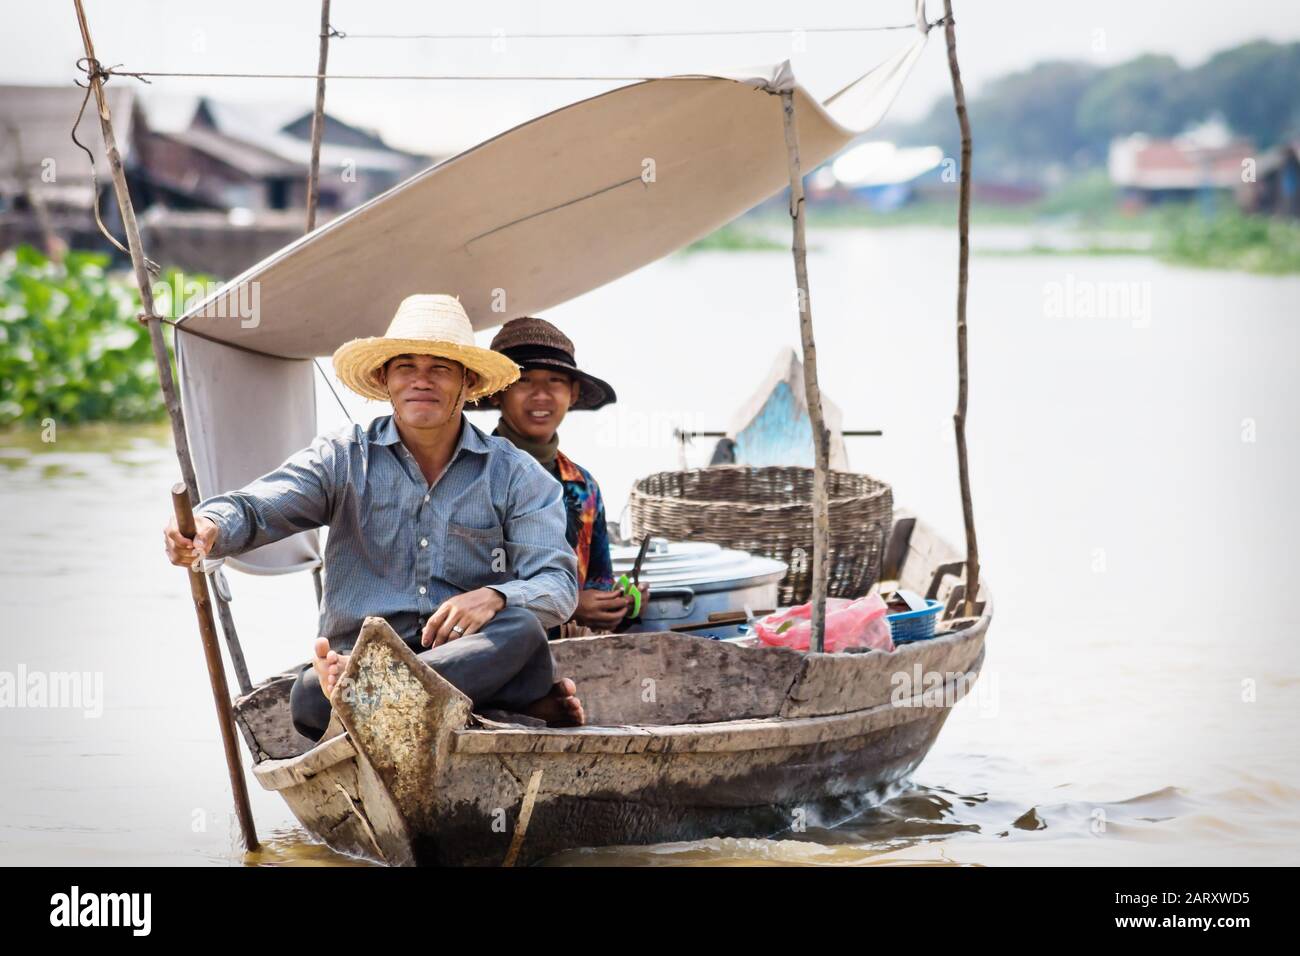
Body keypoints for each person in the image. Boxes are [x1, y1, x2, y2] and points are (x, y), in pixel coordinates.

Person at [162, 294, 585, 739]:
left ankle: (389, 698)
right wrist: (208, 525)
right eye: (406, 367)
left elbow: (557, 587)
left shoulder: (515, 473)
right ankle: (495, 707)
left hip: (467, 661)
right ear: (385, 379)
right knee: (308, 695)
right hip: (358, 665)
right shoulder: (343, 458)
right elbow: (258, 506)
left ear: (467, 381)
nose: (422, 381)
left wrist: (495, 596)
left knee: (520, 629)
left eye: (440, 367)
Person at [474, 317, 643, 635]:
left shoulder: (583, 486)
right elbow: (451, 590)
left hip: (571, 660)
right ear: (496, 392)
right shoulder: (468, 474)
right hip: (489, 657)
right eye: (524, 381)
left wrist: (618, 605)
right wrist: (569, 603)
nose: (541, 395)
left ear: (574, 392)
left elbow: (597, 581)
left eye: (555, 380)